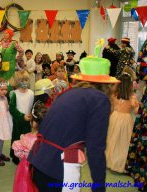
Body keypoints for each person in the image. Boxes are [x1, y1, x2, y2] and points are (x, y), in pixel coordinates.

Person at [28, 55, 120, 192]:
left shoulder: (69, 92)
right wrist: (99, 186)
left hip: (39, 161)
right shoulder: (99, 99)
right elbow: (96, 148)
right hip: (58, 168)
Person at [105, 73, 139, 173]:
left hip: (114, 117)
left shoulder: (114, 94)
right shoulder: (132, 96)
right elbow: (137, 111)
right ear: (129, 84)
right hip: (125, 120)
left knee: (112, 139)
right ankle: (121, 163)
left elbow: (110, 107)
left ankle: (110, 161)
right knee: (123, 142)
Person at [9, 71, 34, 165]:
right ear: (16, 81)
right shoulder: (13, 94)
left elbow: (31, 106)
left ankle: (25, 154)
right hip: (17, 120)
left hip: (28, 120)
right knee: (16, 137)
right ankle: (15, 156)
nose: (24, 82)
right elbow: (12, 108)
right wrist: (21, 116)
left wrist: (31, 115)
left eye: (26, 79)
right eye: (21, 80)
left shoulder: (31, 93)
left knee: (27, 138)